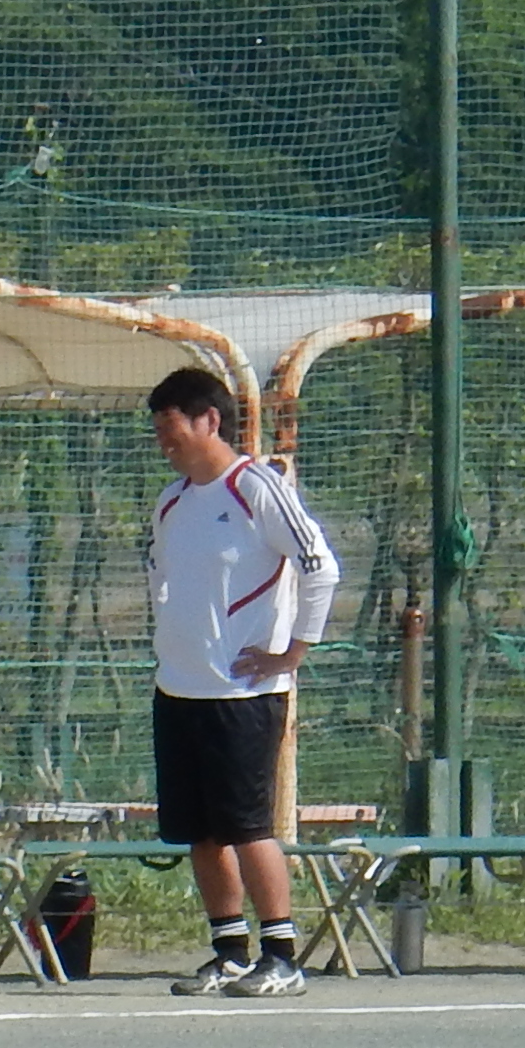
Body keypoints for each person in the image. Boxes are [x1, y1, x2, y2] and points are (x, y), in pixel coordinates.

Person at [145, 365, 341, 999]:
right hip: (179, 690)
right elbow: (162, 582)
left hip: (244, 696)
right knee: (198, 831)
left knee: (246, 825)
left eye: (174, 429)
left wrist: (293, 652)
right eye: (158, 433)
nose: (165, 443)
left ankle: (281, 955)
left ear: (211, 420)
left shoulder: (255, 486)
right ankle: (229, 950)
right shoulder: (171, 503)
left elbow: (320, 568)